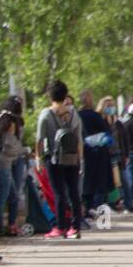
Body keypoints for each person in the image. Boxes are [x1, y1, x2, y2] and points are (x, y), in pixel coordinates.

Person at [35, 80, 84, 239]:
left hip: (54, 159)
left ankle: (60, 227)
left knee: (59, 193)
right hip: (72, 157)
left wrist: (38, 158)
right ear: (65, 95)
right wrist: (80, 159)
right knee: (74, 192)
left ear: (50, 95)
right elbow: (78, 138)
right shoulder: (73, 113)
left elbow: (39, 139)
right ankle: (75, 227)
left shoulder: (46, 114)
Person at [0, 96, 25, 236]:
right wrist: (24, 150)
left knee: (12, 195)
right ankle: (1, 226)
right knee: (4, 195)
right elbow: (11, 145)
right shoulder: (10, 123)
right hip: (4, 163)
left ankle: (10, 224)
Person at [78, 90, 113, 213]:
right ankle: (98, 208)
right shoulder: (96, 116)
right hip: (99, 152)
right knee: (99, 183)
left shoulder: (77, 116)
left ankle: (87, 209)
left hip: (83, 152)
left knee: (86, 181)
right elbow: (107, 135)